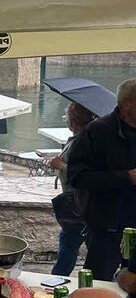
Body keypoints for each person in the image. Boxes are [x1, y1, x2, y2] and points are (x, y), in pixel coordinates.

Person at [68, 79, 136, 281]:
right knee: (98, 282)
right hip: (108, 226)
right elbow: (77, 177)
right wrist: (126, 178)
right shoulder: (96, 132)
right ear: (127, 104)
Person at [50, 102, 97, 277]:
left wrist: (61, 165)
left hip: (79, 203)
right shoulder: (84, 138)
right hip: (80, 203)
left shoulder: (84, 141)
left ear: (73, 121)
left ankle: (56, 280)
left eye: (69, 118)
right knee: (77, 242)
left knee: (69, 242)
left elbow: (87, 174)